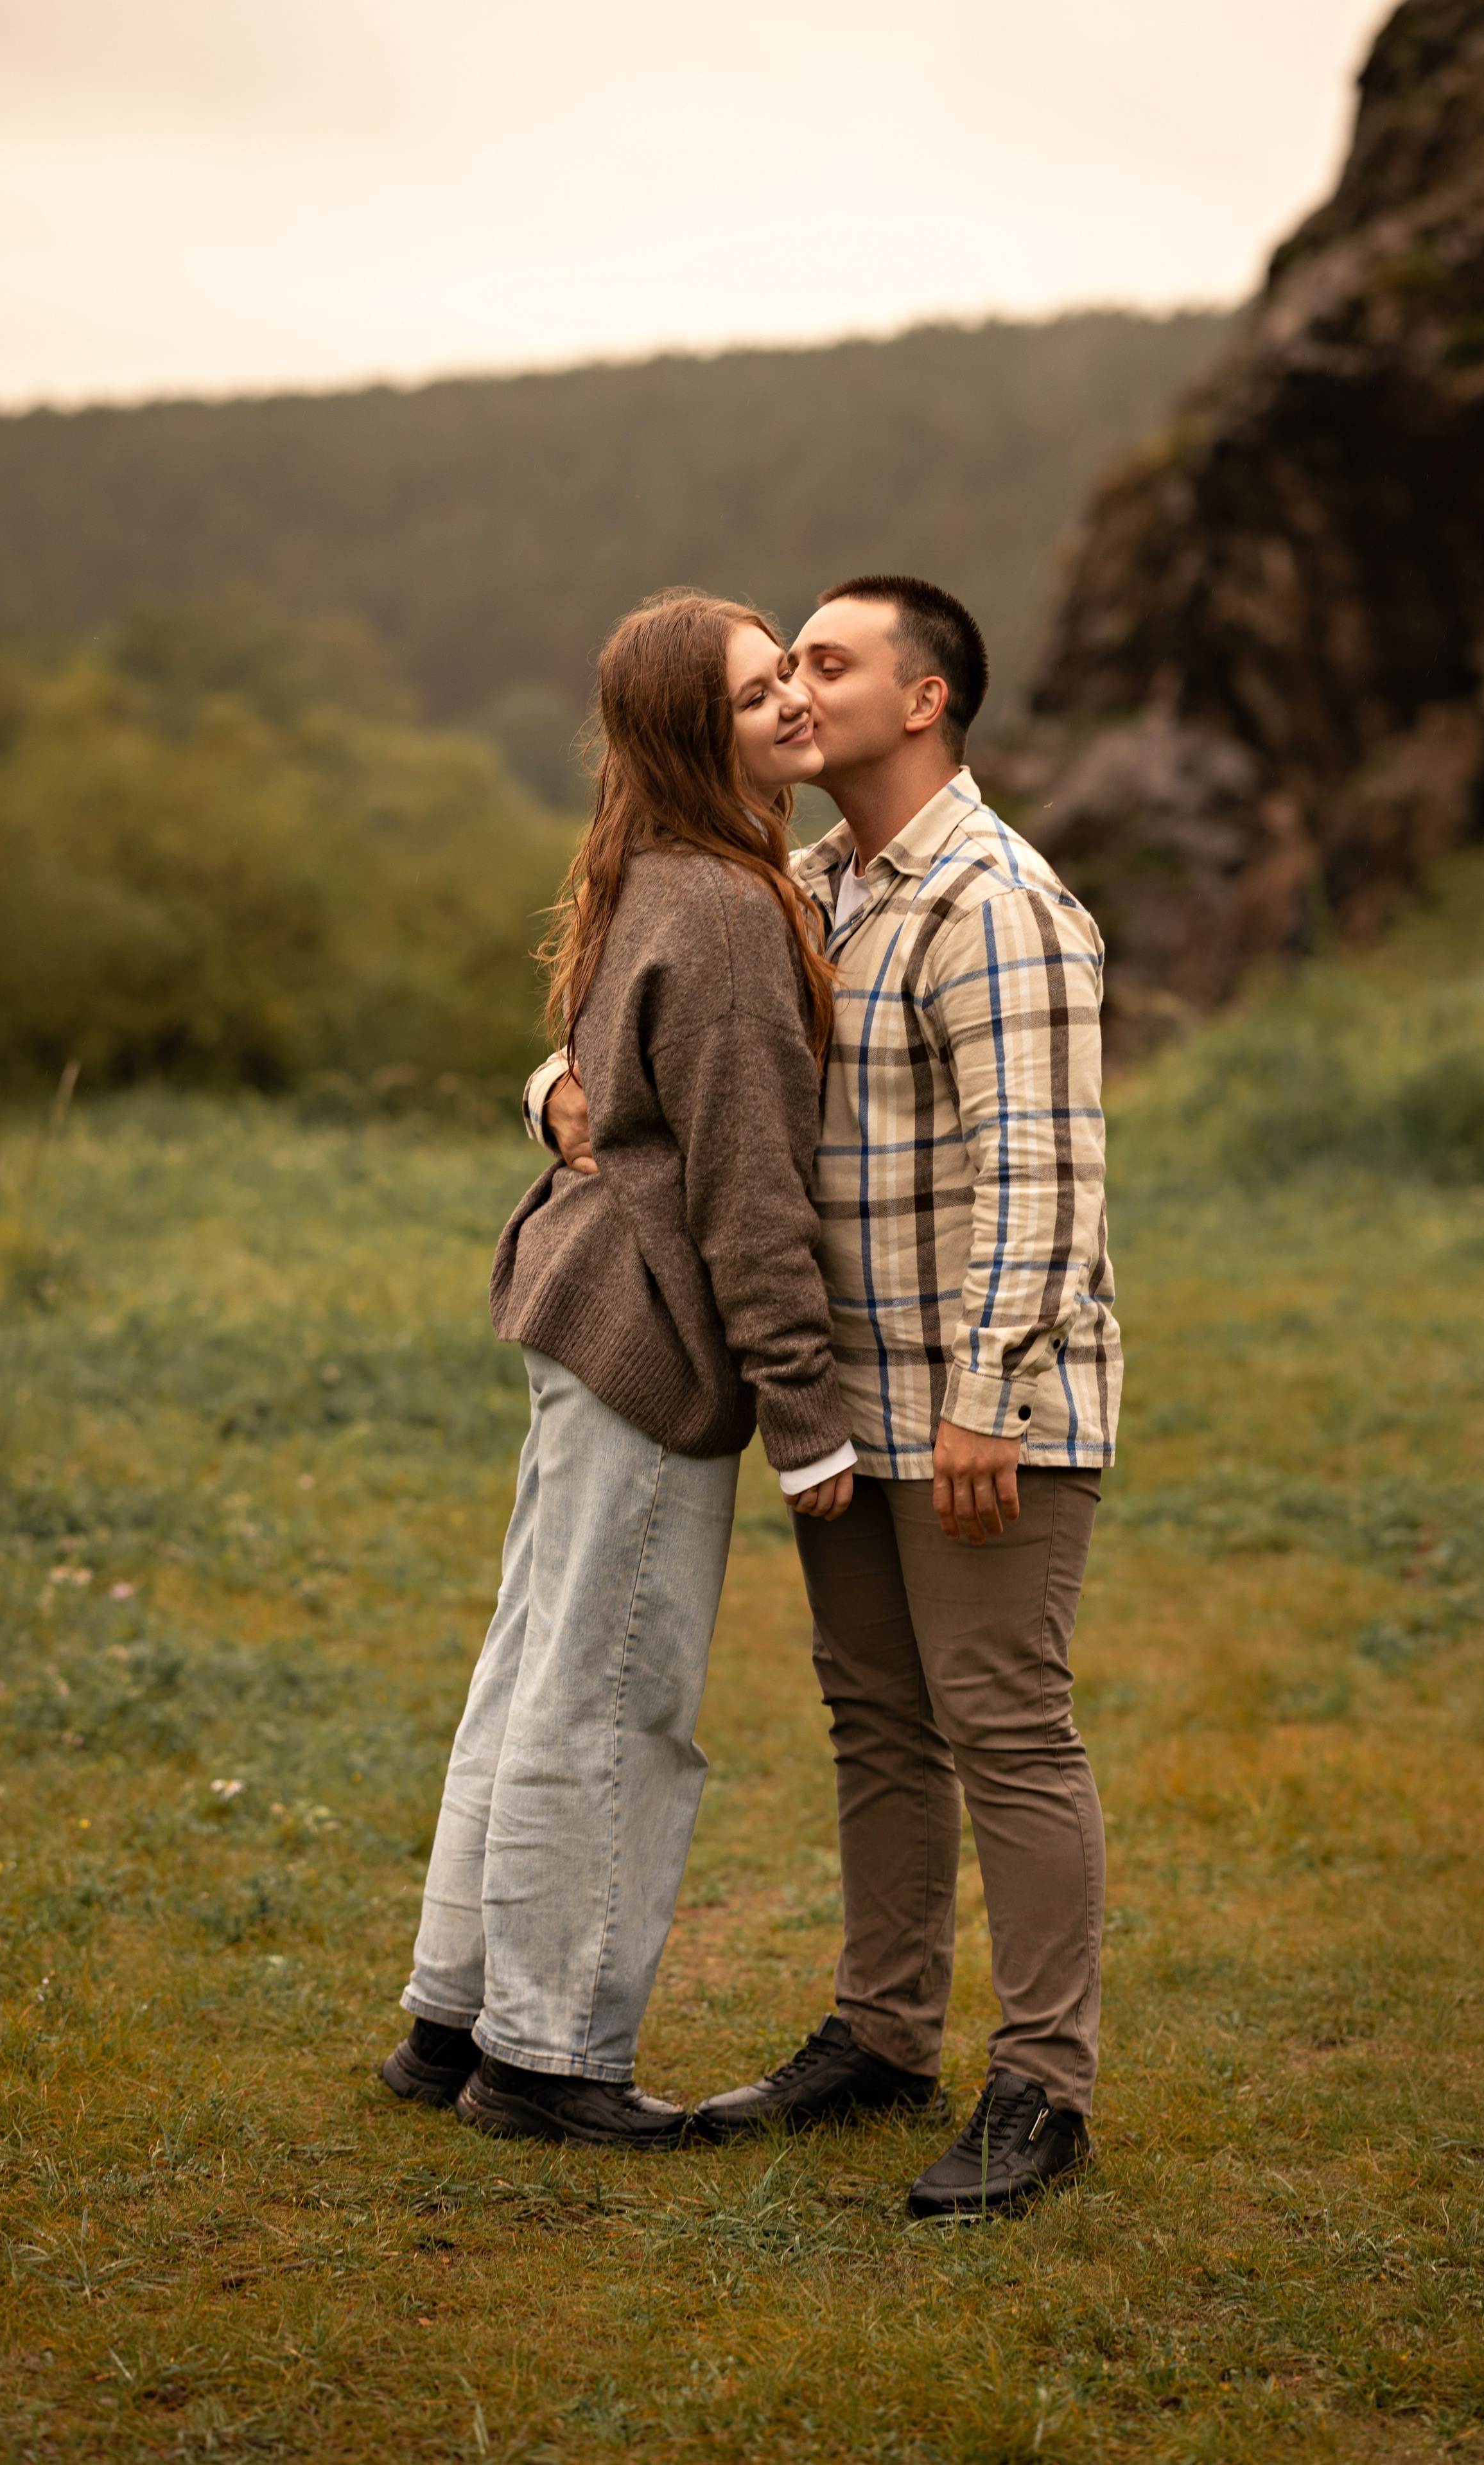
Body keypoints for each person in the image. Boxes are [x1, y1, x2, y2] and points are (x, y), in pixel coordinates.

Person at [532, 576, 1122, 2215]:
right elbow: (636, 1042)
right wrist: (553, 1086)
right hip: (844, 1403)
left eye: (828, 660)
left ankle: (1043, 2085)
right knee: (874, 1718)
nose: (794, 683)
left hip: (983, 1406)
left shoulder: (994, 901)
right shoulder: (801, 886)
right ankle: (880, 2032)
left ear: (923, 699)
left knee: (1003, 1725)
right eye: (782, 661)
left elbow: (1041, 1175)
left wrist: (988, 1393)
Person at [381, 588, 858, 2149]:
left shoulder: (665, 868)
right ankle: (547, 2055)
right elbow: (747, 1187)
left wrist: (552, 1095)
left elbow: (616, 1090)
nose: (791, 700)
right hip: (648, 1330)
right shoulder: (721, 906)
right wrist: (805, 1419)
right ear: (689, 736)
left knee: (535, 1663)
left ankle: (452, 2019)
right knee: (609, 1697)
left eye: (787, 671)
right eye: (754, 693)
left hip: (585, 1308)